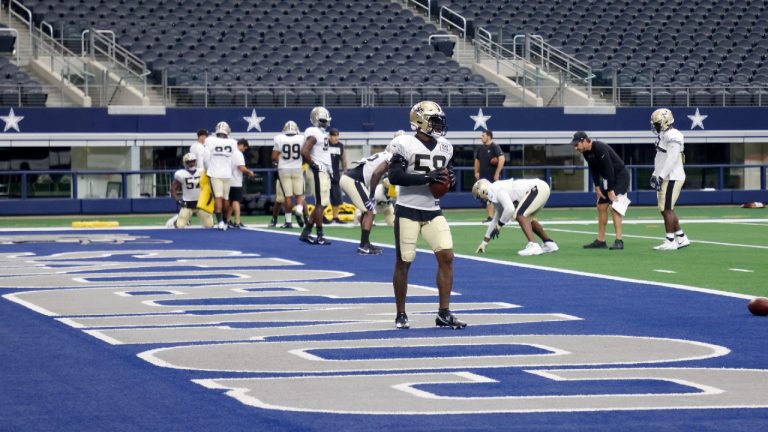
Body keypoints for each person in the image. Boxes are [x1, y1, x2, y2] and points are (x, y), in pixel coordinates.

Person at [387, 100, 465, 330]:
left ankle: (444, 313)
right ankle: (401, 313)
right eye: (434, 120)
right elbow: (394, 176)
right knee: (404, 261)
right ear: (420, 121)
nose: (439, 124)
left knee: (447, 256)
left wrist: (450, 180)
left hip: (432, 209)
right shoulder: (403, 143)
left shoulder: (445, 146)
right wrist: (426, 178)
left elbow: (446, 175)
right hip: (408, 209)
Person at [472, 177, 559, 256]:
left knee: (519, 215)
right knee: (527, 219)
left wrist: (499, 226)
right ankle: (549, 244)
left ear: (483, 190)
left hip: (538, 188)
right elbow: (496, 219)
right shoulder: (495, 193)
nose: (481, 199)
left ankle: (533, 245)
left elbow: (510, 209)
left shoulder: (495, 189)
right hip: (540, 188)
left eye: (479, 196)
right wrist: (484, 243)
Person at [572, 131, 629, 250]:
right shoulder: (586, 152)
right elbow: (593, 169)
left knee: (614, 207)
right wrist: (597, 187)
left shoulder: (599, 147)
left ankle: (619, 240)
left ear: (584, 141)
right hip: (609, 179)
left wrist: (610, 190)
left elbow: (609, 169)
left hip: (619, 176)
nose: (576, 147)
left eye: (577, 144)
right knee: (601, 206)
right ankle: (601, 240)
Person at [650, 108, 691, 251]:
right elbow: (660, 158)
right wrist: (655, 174)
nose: (654, 126)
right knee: (664, 209)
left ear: (665, 122)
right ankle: (681, 237)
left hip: (672, 176)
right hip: (666, 175)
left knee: (667, 209)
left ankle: (670, 240)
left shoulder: (674, 135)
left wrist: (660, 176)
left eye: (656, 123)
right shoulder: (665, 134)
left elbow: (672, 159)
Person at [340, 149, 391, 255]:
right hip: (353, 181)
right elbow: (376, 174)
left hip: (353, 180)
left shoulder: (384, 154)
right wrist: (372, 194)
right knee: (370, 210)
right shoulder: (391, 157)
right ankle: (363, 246)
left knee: (368, 211)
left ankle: (365, 243)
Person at [299, 106, 333, 245]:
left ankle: (306, 232)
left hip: (323, 171)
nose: (325, 123)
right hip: (318, 171)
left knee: (323, 204)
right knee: (320, 204)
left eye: (326, 120)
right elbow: (304, 151)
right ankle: (320, 235)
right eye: (322, 120)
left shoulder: (320, 133)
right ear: (316, 120)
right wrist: (314, 165)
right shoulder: (313, 132)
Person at [271, 120, 306, 228]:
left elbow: (273, 157)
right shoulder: (302, 138)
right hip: (297, 168)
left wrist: (279, 161)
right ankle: (299, 210)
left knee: (288, 196)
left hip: (284, 169)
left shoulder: (279, 138)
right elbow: (305, 153)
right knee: (299, 195)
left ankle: (288, 221)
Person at [204, 121, 237, 230]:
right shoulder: (232, 142)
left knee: (218, 198)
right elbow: (233, 160)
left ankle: (220, 222)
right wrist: (230, 171)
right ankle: (225, 221)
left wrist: (208, 170)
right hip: (227, 174)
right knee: (226, 198)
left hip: (215, 173)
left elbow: (206, 159)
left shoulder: (210, 140)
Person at [167, 153, 213, 228]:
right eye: (188, 162)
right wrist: (177, 199)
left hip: (201, 203)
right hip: (187, 204)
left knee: (209, 226)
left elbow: (211, 183)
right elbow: (173, 188)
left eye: (192, 161)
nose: (191, 163)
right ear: (185, 163)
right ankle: (175, 220)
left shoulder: (202, 172)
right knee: (179, 226)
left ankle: (184, 220)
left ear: (196, 162)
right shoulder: (181, 174)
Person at [474, 129, 505, 222]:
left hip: (493, 176)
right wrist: (476, 172)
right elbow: (477, 161)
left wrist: (497, 173)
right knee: (487, 197)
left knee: (498, 196)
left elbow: (502, 159)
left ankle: (503, 216)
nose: (481, 137)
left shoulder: (495, 147)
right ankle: (490, 217)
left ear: (489, 136)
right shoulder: (480, 148)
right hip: (483, 177)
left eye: (483, 135)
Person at [227, 138, 256, 228]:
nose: (244, 150)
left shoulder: (229, 151)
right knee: (236, 201)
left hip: (227, 180)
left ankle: (227, 220)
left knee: (231, 202)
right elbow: (242, 168)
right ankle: (237, 222)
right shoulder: (238, 154)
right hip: (235, 181)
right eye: (245, 148)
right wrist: (249, 172)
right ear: (242, 145)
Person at [327, 127, 348, 224]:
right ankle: (322, 216)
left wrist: (345, 171)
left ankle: (335, 217)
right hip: (325, 173)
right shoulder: (325, 144)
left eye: (337, 135)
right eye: (334, 135)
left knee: (336, 196)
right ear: (329, 136)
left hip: (335, 174)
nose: (336, 138)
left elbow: (343, 159)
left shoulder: (340, 146)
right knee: (323, 196)